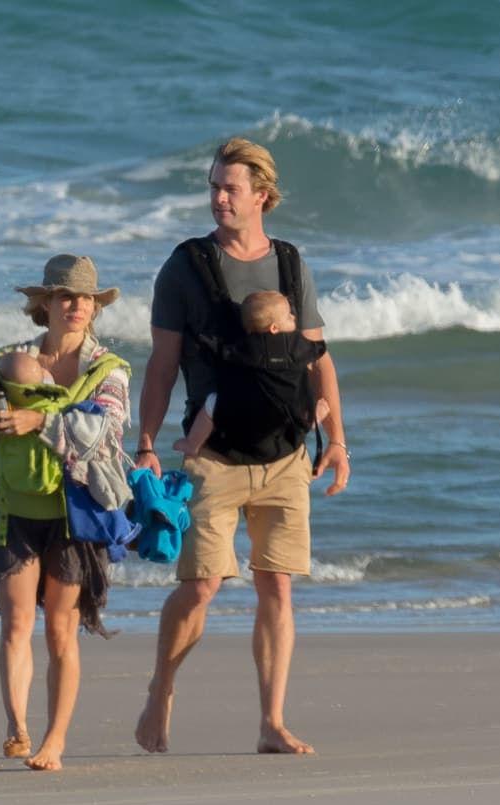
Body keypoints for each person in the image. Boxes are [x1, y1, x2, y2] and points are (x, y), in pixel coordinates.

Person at [133, 137, 350, 756]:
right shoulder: (185, 266)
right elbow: (162, 364)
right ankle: (162, 686)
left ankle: (271, 723)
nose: (218, 197)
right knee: (201, 585)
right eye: (213, 186)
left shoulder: (288, 263)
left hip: (286, 455)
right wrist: (147, 443)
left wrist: (336, 440)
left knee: (276, 586)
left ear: (262, 195)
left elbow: (317, 356)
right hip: (214, 456)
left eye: (230, 187)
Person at [0, 253, 132, 771]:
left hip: (73, 512)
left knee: (60, 629)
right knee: (15, 622)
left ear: (95, 307)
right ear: (46, 304)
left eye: (85, 297)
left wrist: (37, 418)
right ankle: (17, 727)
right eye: (65, 296)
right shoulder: (9, 363)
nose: (76, 305)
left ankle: (54, 741)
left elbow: (103, 434)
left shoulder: (108, 370)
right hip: (15, 508)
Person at [172, 291, 329, 458]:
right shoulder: (296, 345)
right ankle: (311, 418)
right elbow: (317, 349)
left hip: (251, 412)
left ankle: (192, 444)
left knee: (211, 403)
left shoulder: (246, 347)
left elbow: (221, 352)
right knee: (304, 398)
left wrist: (199, 338)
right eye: (288, 315)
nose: (293, 317)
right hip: (288, 410)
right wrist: (318, 347)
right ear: (274, 328)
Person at [0, 352, 53, 493]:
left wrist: (41, 421)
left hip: (59, 491)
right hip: (9, 493)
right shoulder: (14, 358)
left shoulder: (98, 367)